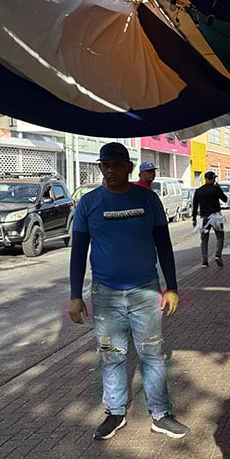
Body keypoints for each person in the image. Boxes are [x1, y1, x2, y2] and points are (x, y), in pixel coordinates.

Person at [68, 142, 189, 441]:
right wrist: (75, 295)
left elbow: (164, 244)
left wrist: (171, 287)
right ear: (101, 168)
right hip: (105, 295)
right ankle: (115, 412)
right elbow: (78, 251)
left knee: (153, 354)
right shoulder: (88, 203)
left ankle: (161, 414)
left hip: (146, 293)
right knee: (111, 354)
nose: (110, 170)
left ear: (128, 168)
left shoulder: (148, 200)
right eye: (105, 165)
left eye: (116, 165)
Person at [192, 171, 228, 267]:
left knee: (204, 240)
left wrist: (194, 218)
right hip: (216, 216)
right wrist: (219, 188)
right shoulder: (216, 189)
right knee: (220, 237)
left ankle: (204, 261)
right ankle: (218, 255)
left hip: (204, 218)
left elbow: (195, 206)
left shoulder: (199, 190)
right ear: (213, 179)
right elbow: (225, 199)